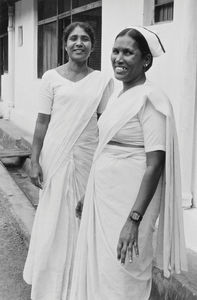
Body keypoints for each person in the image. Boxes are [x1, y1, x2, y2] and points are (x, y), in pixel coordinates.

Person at [70, 26, 188, 300]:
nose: (118, 58)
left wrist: (133, 221)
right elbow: (104, 150)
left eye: (128, 53)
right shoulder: (117, 97)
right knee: (100, 270)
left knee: (123, 272)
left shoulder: (151, 98)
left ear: (145, 60)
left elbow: (155, 164)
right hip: (103, 199)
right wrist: (90, 193)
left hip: (131, 204)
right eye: (115, 51)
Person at [23, 21, 113, 300]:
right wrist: (34, 160)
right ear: (64, 44)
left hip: (88, 157)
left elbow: (106, 123)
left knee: (81, 216)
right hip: (55, 156)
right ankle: (49, 287)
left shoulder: (102, 81)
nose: (79, 43)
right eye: (73, 38)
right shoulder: (51, 77)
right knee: (54, 219)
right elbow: (41, 121)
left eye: (85, 39)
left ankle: (80, 286)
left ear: (92, 46)